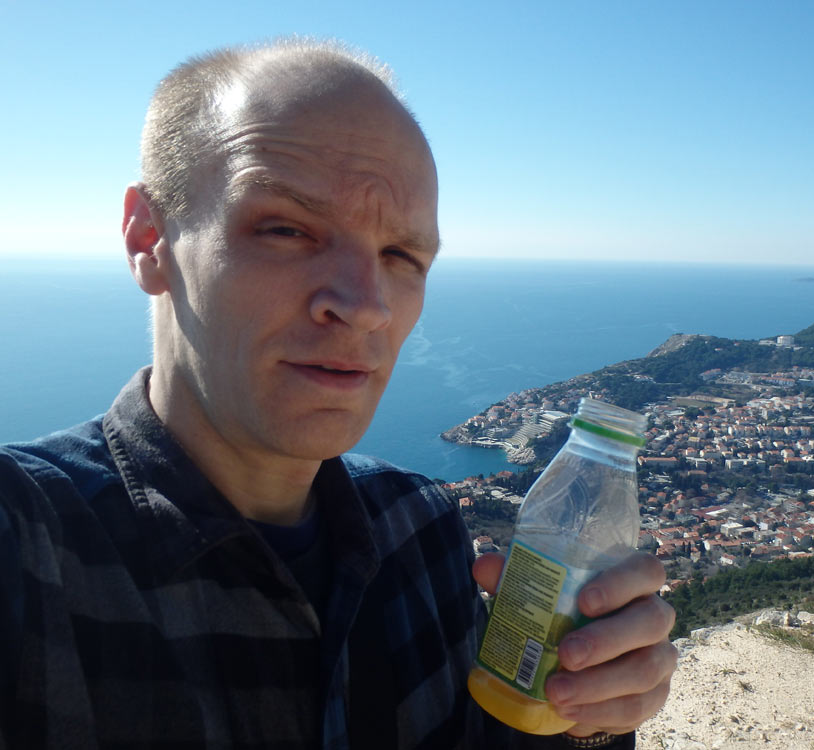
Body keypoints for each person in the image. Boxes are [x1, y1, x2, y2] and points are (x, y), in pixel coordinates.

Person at [0, 40, 677, 749]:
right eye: (286, 228)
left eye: (401, 256)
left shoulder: (422, 531)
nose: (366, 305)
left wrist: (587, 719)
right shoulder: (34, 549)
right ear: (149, 237)